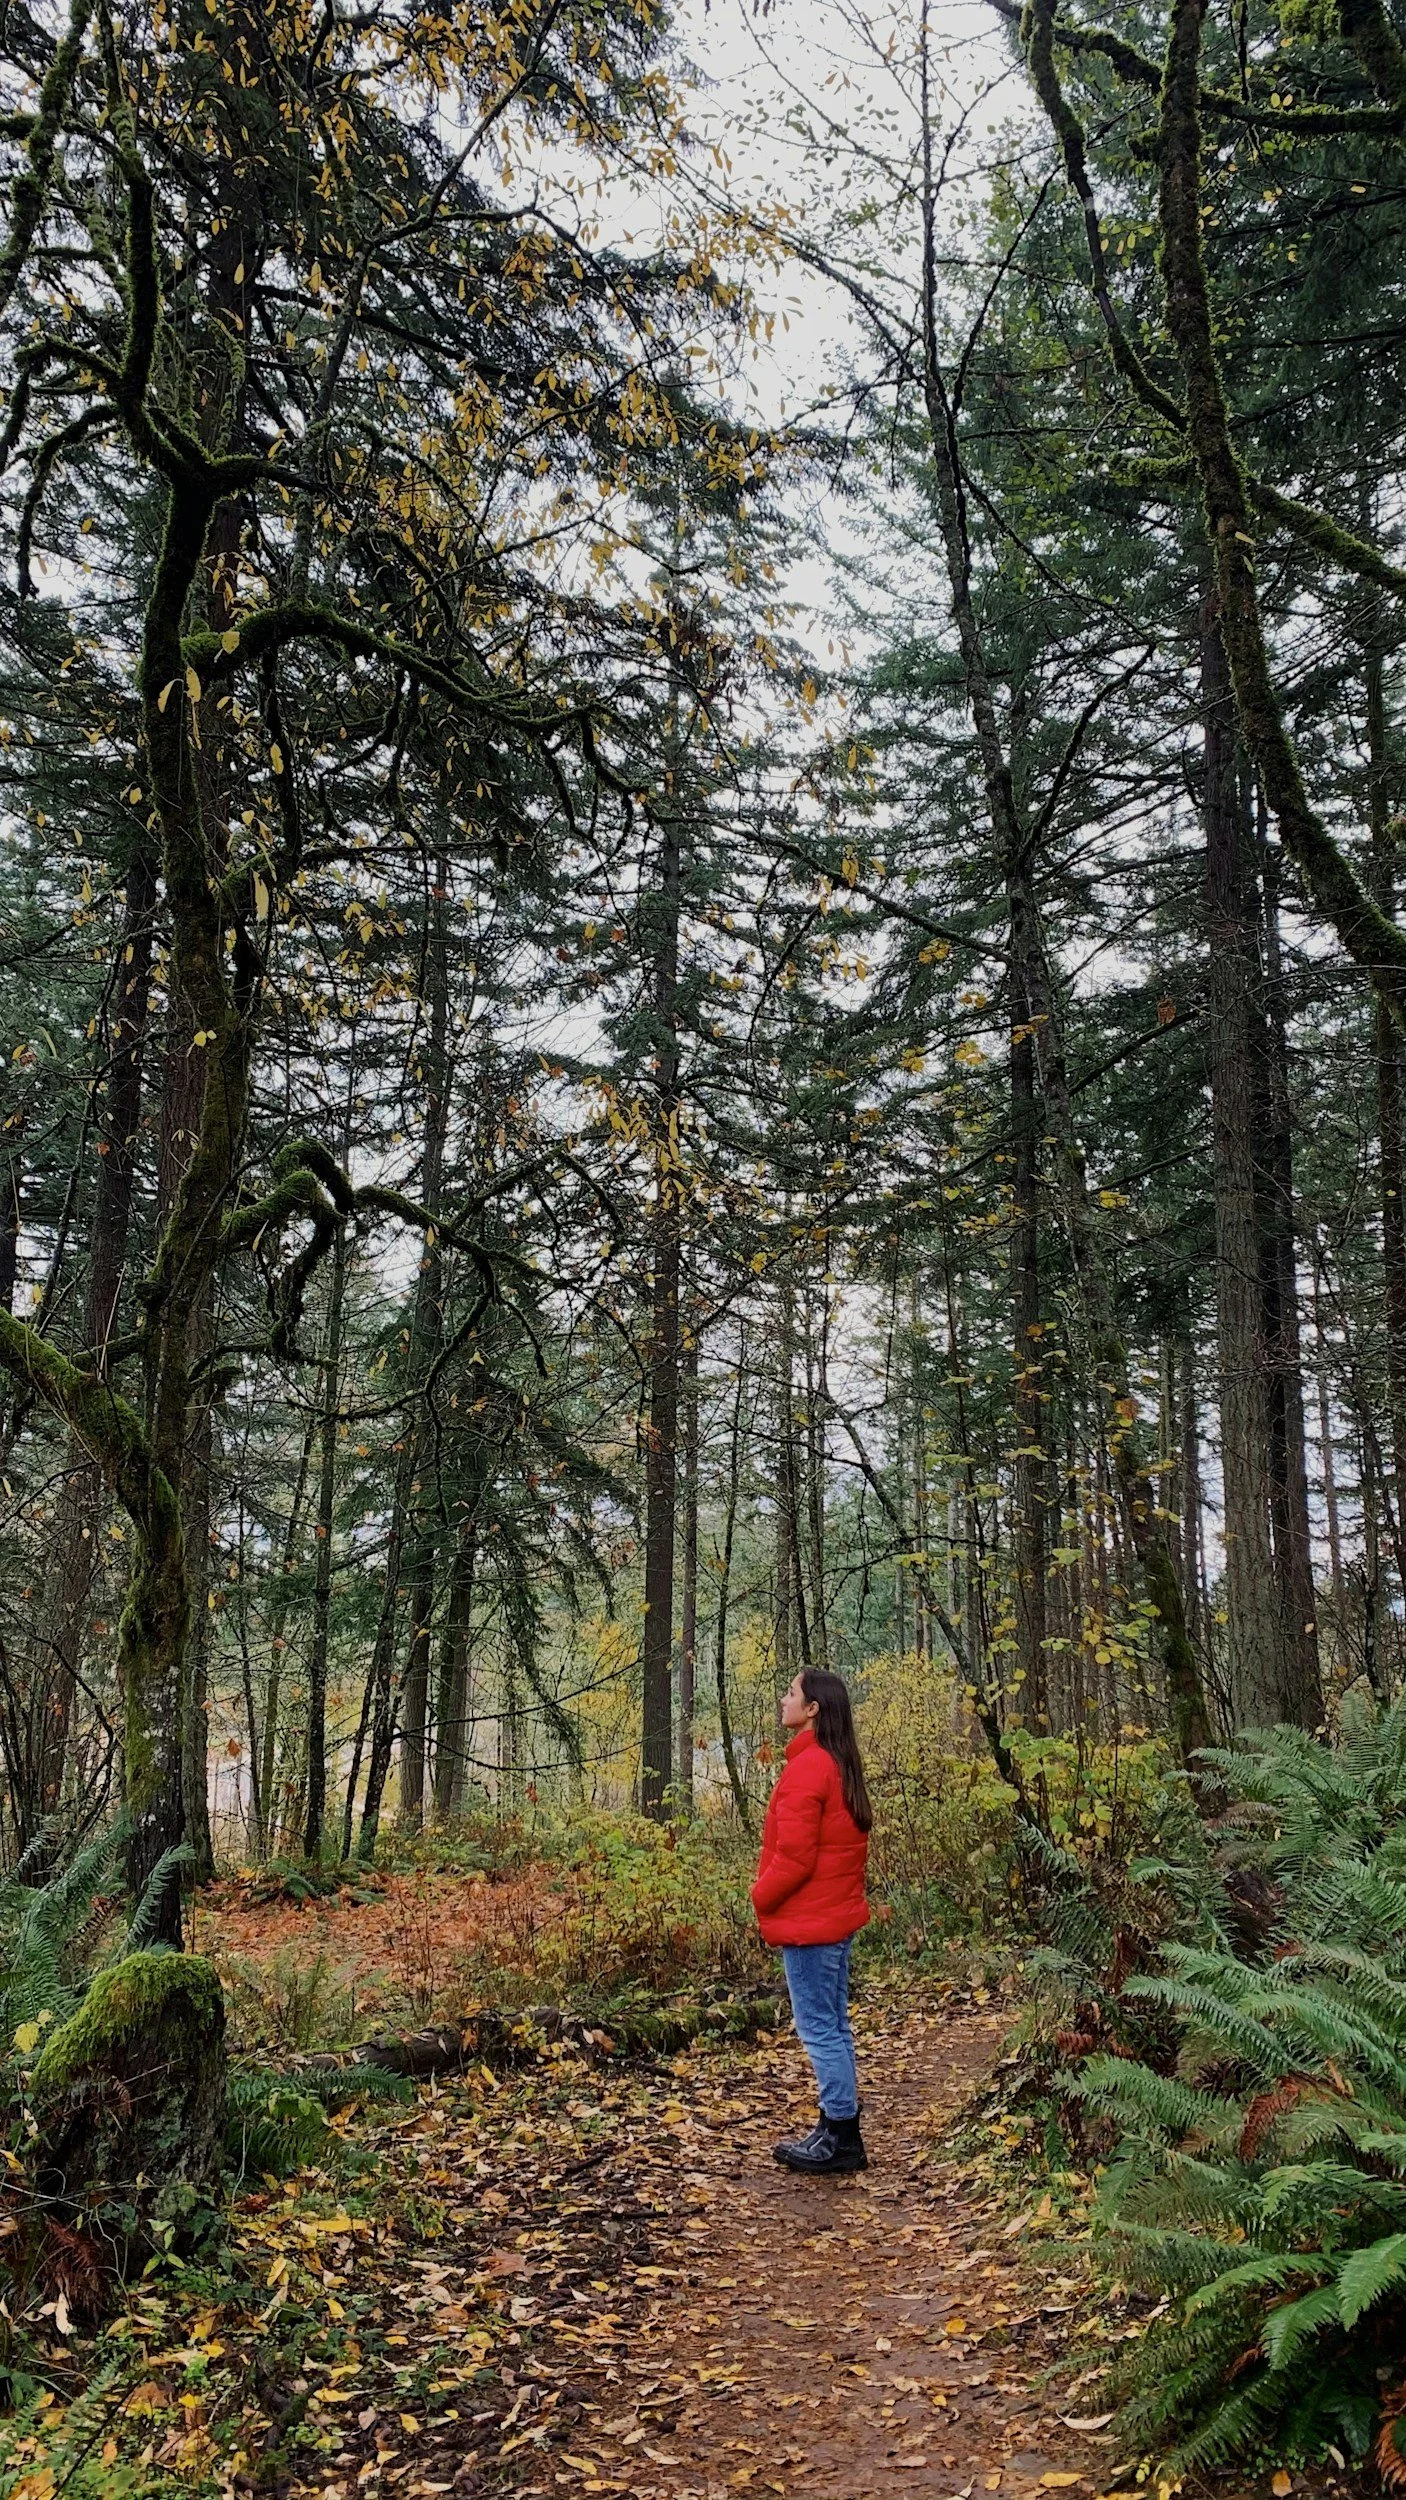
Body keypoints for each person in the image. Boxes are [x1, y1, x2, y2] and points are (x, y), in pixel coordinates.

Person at [750, 1666, 873, 2174]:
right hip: (830, 1920)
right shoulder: (835, 1764)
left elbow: (794, 1859)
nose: (783, 1699)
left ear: (813, 1709)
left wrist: (760, 1897)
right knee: (834, 2026)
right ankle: (835, 2124)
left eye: (791, 1692)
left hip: (811, 1924)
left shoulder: (808, 1769)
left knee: (820, 2028)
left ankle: (842, 2137)